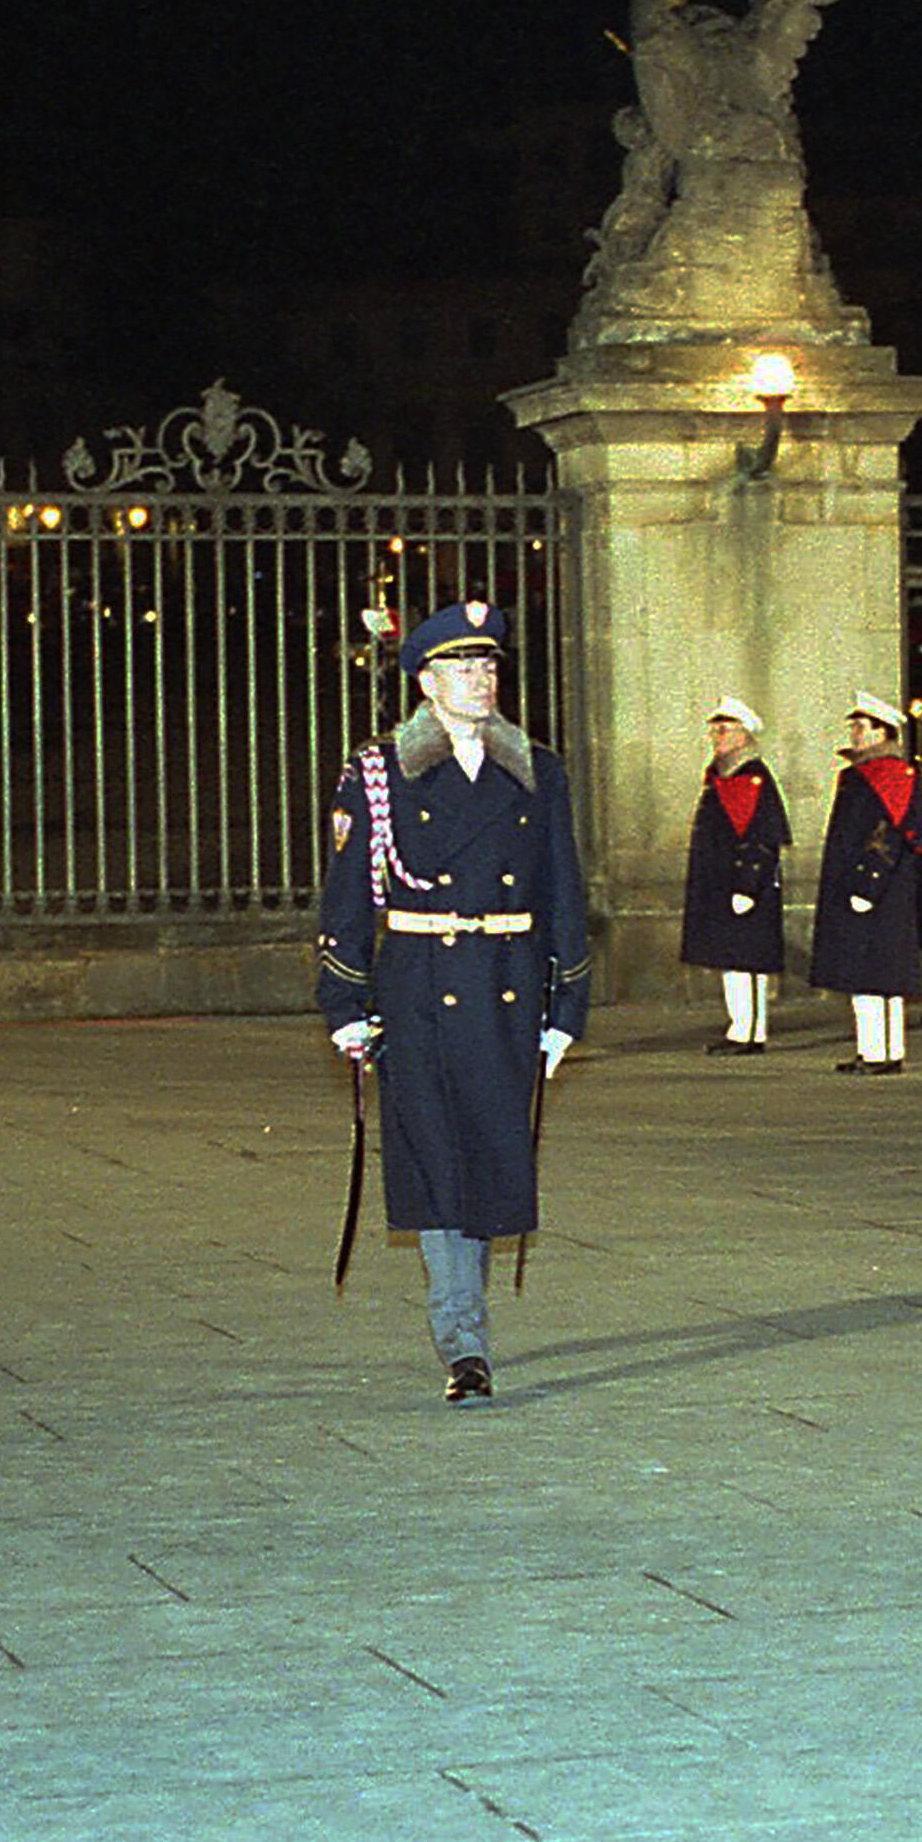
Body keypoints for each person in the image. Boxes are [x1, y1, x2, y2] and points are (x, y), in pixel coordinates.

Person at [315, 600, 591, 1404]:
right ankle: (462, 1339)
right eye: (463, 668)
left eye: (490, 666)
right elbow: (346, 897)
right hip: (418, 991)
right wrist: (344, 1001)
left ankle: (465, 1323)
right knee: (436, 1160)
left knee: (489, 1157)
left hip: (505, 984)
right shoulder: (379, 770)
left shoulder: (536, 767)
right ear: (426, 682)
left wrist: (566, 1004)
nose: (481, 679)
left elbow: (563, 889)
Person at [812, 695, 922, 1072]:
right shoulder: (858, 774)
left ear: (882, 732)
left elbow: (889, 833)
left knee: (882, 972)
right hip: (856, 883)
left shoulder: (892, 773)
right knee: (861, 970)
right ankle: (871, 1048)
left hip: (881, 886)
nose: (854, 734)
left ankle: (887, 1052)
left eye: (861, 728)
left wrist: (869, 884)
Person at [682, 696, 788, 1053]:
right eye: (714, 730)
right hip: (722, 883)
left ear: (745, 734)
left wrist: (748, 885)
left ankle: (751, 1031)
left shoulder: (752, 777)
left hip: (745, 885)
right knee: (731, 958)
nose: (717, 737)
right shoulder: (721, 776)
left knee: (747, 960)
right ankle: (738, 1026)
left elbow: (763, 835)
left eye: (725, 730)